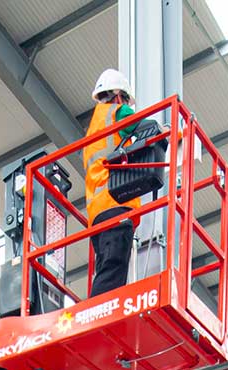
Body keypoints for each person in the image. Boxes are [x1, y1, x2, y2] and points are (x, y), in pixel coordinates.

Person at [83, 69, 142, 297]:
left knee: (106, 268)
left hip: (96, 214)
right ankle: (99, 314)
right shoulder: (118, 112)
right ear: (118, 95)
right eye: (126, 99)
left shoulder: (93, 131)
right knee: (115, 267)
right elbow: (142, 126)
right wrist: (171, 133)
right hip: (115, 203)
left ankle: (98, 311)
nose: (127, 104)